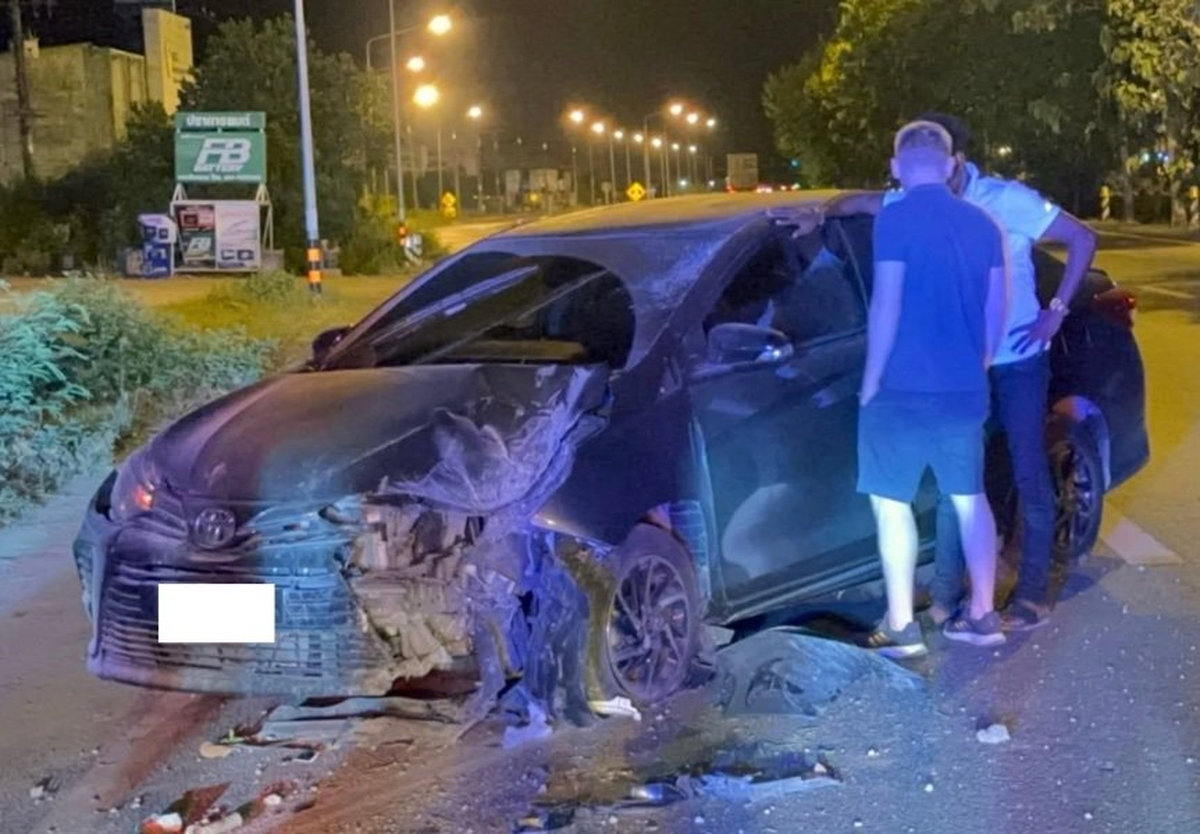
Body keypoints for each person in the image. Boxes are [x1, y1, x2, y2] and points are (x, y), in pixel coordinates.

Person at [772, 112, 1098, 632]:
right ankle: (950, 597)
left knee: (1026, 469)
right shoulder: (913, 201)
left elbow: (1081, 237)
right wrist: (819, 214)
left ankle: (1031, 595)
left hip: (1016, 360)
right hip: (962, 366)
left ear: (956, 163)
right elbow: (859, 202)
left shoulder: (1004, 200)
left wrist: (1054, 311)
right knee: (959, 485)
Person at [856, 120, 1010, 657]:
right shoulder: (983, 225)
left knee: (891, 503)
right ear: (950, 166)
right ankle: (983, 614)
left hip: (899, 389)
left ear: (896, 168)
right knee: (969, 498)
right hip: (963, 388)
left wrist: (870, 382)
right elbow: (996, 310)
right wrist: (978, 366)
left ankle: (901, 625)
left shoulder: (895, 220)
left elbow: (887, 304)